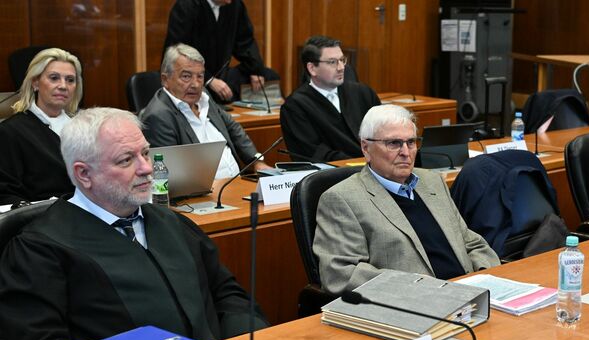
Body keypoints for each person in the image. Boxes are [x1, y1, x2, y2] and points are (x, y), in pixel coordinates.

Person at [0, 108, 268, 340]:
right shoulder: (39, 250)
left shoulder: (173, 222)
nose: (146, 168)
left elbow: (227, 294)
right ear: (84, 174)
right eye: (126, 159)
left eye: (146, 153)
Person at [314, 105, 499, 295]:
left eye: (411, 142)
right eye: (394, 143)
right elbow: (341, 274)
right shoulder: (342, 199)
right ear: (366, 148)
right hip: (414, 303)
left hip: (470, 293)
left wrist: (485, 278)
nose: (405, 152)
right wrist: (418, 288)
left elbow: (471, 243)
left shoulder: (432, 181)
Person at [140, 44, 267, 179]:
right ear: (165, 79)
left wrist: (256, 161)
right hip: (202, 194)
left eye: (200, 76)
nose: (195, 84)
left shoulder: (204, 96)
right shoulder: (158, 116)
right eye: (186, 76)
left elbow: (232, 127)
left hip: (237, 183)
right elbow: (170, 177)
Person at [0, 48, 81, 205]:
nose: (63, 86)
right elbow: (5, 193)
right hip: (46, 219)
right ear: (35, 82)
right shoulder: (10, 132)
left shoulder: (87, 127)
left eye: (70, 80)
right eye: (54, 78)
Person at [280, 35, 381, 162]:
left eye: (342, 60)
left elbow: (383, 132)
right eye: (332, 62)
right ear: (312, 68)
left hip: (375, 166)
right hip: (333, 174)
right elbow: (312, 152)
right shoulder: (295, 106)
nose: (341, 67)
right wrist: (359, 163)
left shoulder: (363, 93)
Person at [164, 0, 279, 103]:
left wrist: (255, 69)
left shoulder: (235, 5)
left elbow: (245, 42)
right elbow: (177, 54)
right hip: (192, 79)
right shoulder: (186, 6)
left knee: (268, 76)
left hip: (222, 76)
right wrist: (209, 80)